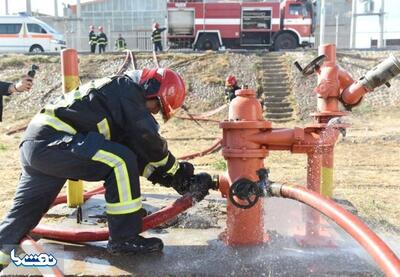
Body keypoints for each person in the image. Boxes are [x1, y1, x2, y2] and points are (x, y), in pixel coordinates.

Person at [0, 67, 212, 271]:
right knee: (119, 161)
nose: (154, 113)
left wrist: (172, 180)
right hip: (53, 140)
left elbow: (139, 156)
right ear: (150, 88)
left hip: (39, 145)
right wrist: (178, 172)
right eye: (157, 107)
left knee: (21, 218)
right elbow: (150, 142)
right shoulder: (127, 91)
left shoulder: (118, 102)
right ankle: (124, 239)